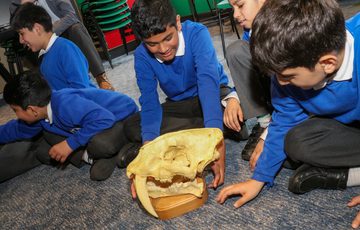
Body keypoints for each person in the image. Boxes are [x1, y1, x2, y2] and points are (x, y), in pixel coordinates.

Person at [216, 0, 360, 225]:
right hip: (347, 126)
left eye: (288, 77)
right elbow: (283, 121)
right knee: (294, 142)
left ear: (328, 63)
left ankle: (353, 175)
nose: (281, 84)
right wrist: (258, 180)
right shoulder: (290, 68)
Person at [122, 0, 243, 197]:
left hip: (212, 94)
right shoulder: (142, 56)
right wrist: (147, 155)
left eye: (168, 38)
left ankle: (192, 136)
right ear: (143, 41)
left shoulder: (197, 33)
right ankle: (201, 133)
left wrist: (216, 144)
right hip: (180, 104)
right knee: (132, 126)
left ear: (178, 23)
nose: (162, 49)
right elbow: (150, 102)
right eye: (152, 44)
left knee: (232, 108)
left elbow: (207, 84)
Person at [0, 71, 138, 181]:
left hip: (121, 116)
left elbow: (104, 119)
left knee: (101, 144)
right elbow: (16, 129)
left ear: (32, 110)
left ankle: (123, 148)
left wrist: (70, 144)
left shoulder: (65, 104)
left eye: (15, 110)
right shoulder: (40, 116)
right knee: (44, 151)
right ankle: (98, 157)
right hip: (96, 124)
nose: (16, 115)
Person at [9, 0, 115, 90]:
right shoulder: (15, 4)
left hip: (62, 29)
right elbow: (18, 28)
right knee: (29, 46)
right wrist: (24, 6)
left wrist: (48, 32)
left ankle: (100, 77)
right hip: (38, 40)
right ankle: (48, 91)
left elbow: (71, 16)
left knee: (76, 29)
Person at [225, 0, 272, 165]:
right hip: (272, 87)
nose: (235, 15)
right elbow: (246, 66)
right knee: (236, 50)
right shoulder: (250, 29)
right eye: (233, 8)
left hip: (293, 95)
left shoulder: (284, 26)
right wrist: (234, 97)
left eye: (241, 5)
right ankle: (265, 122)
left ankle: (272, 129)